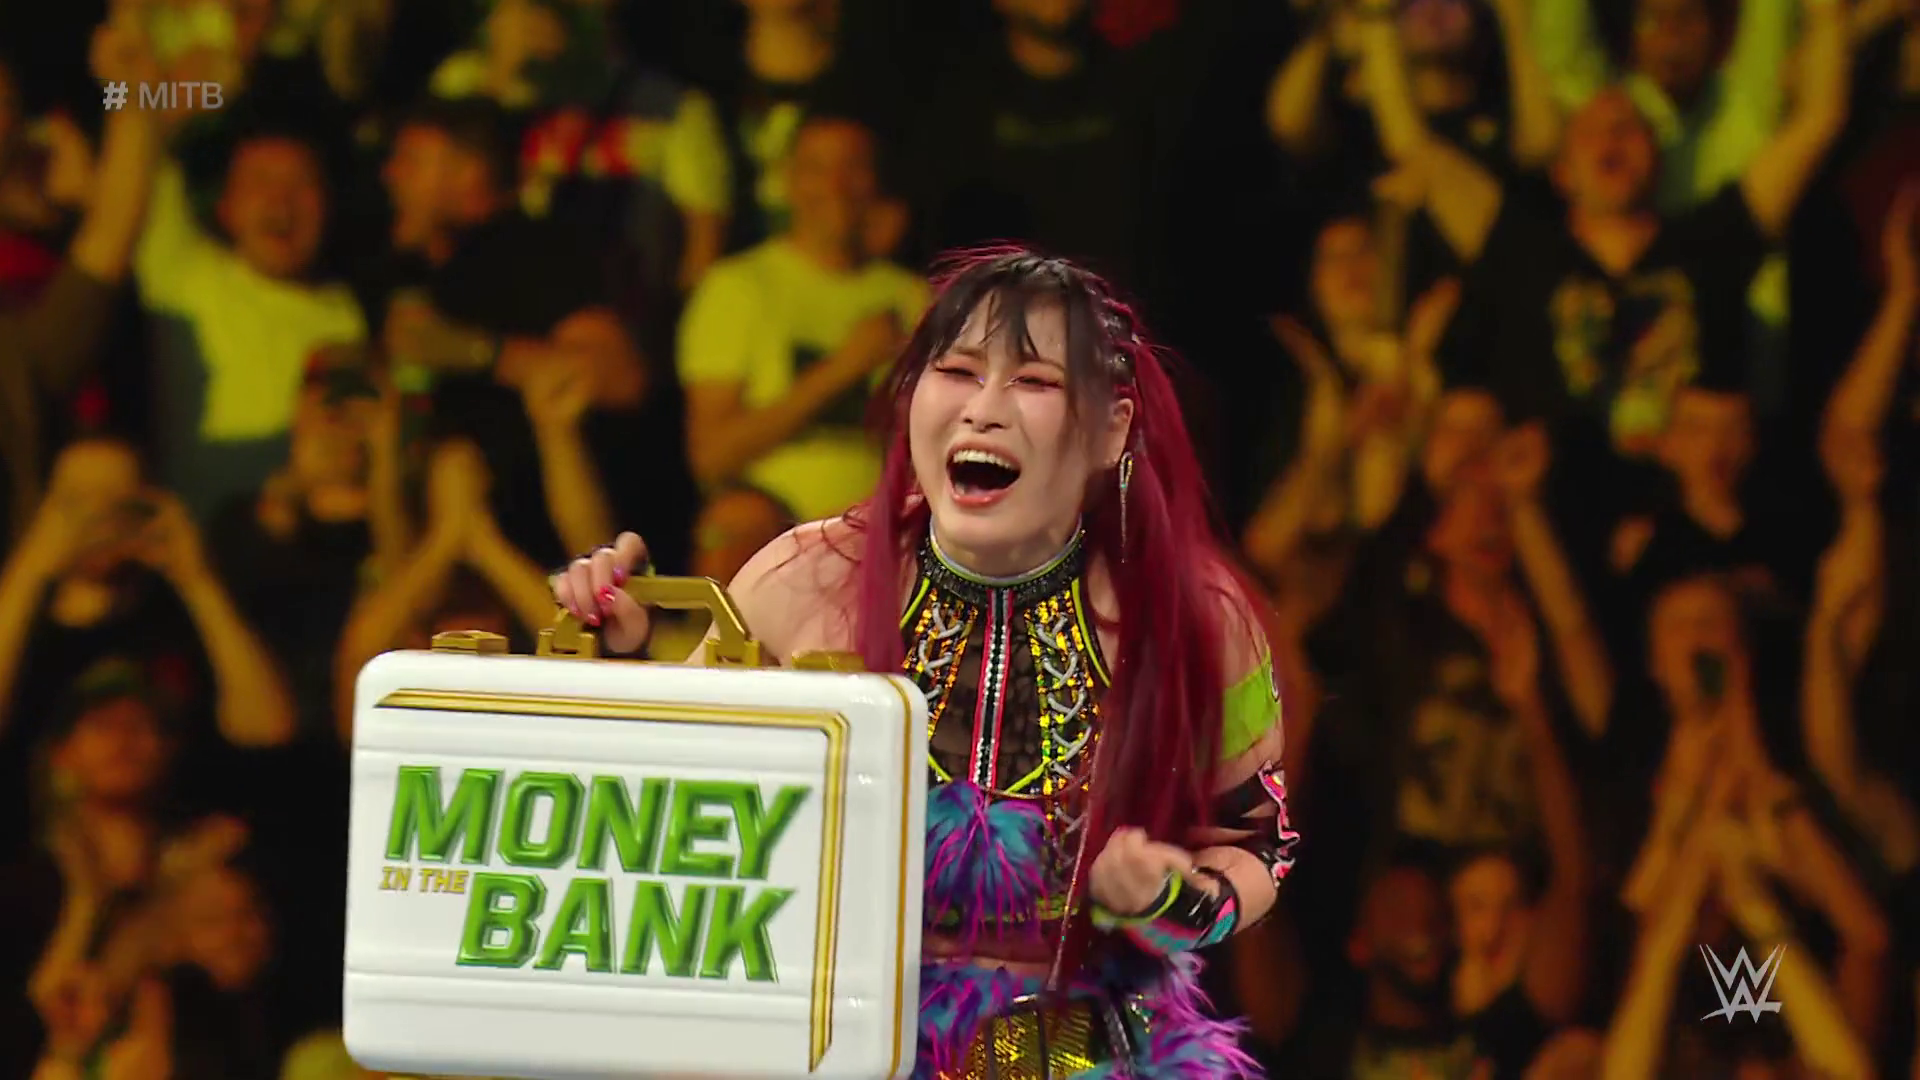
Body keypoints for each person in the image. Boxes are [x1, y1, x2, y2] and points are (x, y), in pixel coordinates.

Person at [554, 247, 1298, 1076]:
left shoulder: (1197, 618)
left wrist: (1171, 901)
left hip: (1078, 1054)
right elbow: (658, 809)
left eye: (1034, 381)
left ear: (1111, 428)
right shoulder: (805, 578)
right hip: (837, 1049)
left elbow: (1259, 846)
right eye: (957, 371)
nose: (983, 411)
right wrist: (613, 658)